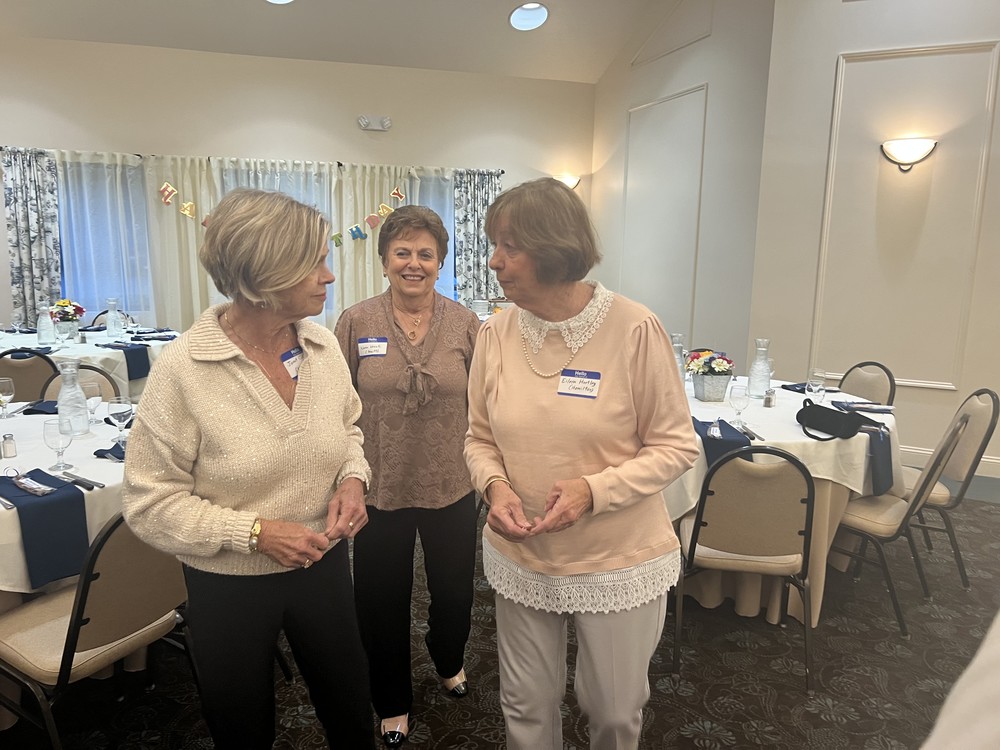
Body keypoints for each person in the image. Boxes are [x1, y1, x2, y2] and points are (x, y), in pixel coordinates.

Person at [122, 188, 375, 749]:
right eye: (314, 263)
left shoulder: (321, 347)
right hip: (228, 583)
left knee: (351, 706)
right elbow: (149, 503)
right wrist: (255, 533)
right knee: (241, 727)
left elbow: (349, 430)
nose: (330, 276)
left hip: (325, 564)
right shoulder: (184, 368)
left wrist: (354, 480)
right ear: (265, 271)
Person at [464, 177, 699, 749]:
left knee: (613, 712)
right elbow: (478, 438)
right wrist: (495, 488)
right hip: (523, 553)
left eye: (509, 247)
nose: (494, 261)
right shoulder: (494, 333)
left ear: (553, 249)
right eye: (494, 245)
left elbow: (677, 446)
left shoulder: (634, 328)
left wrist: (594, 491)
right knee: (524, 705)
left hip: (616, 557)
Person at [335, 205, 482, 749]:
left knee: (455, 594)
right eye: (402, 252)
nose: (413, 263)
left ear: (440, 262)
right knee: (380, 601)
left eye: (425, 253)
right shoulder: (356, 322)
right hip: (378, 486)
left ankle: (447, 657)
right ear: (384, 261)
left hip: (451, 482)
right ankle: (391, 699)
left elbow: (484, 403)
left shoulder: (466, 324)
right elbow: (337, 404)